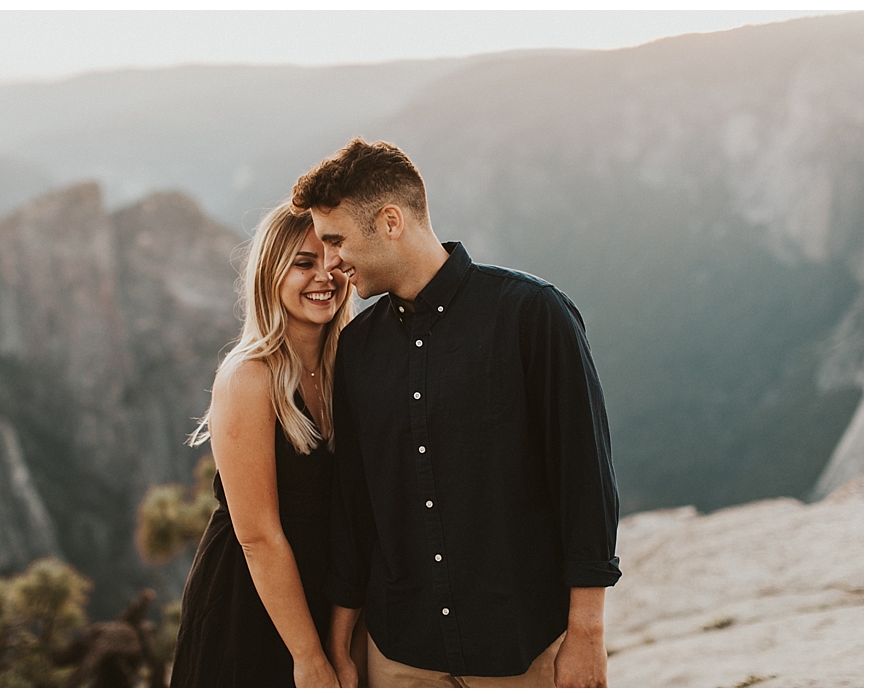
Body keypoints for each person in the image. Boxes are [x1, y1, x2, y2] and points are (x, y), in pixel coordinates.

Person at [296, 138, 620, 688]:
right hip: (401, 652)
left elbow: (584, 480)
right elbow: (355, 508)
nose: (331, 263)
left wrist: (586, 633)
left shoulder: (532, 315)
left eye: (337, 240)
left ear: (391, 221)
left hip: (521, 644)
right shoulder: (356, 351)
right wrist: (339, 642)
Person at [170, 203, 355, 687]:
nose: (325, 276)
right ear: (270, 273)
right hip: (250, 604)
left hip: (325, 596)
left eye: (333, 260)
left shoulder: (349, 367)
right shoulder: (249, 377)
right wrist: (309, 656)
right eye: (303, 263)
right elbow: (259, 538)